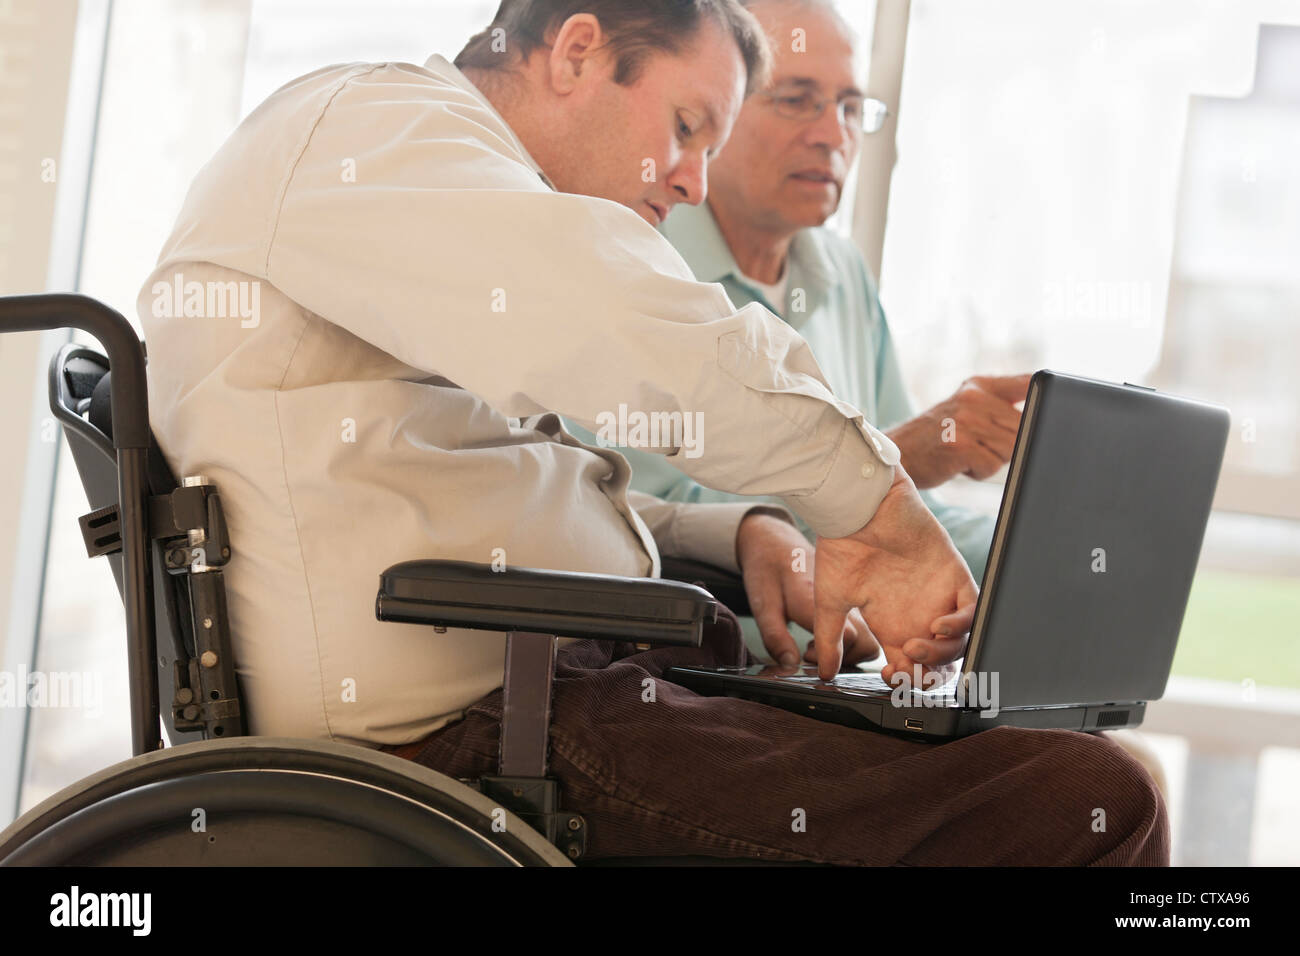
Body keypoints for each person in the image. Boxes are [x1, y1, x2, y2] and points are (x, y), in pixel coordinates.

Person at [137, 0, 1167, 864]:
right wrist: (872, 506)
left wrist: (741, 534)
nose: (690, 182)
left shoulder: (431, 184)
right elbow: (627, 327)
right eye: (684, 127)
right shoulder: (371, 130)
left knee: (1019, 753)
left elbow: (508, 488)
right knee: (1087, 794)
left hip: (553, 695)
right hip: (462, 744)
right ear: (578, 50)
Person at [567, 0, 1027, 669]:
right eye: (796, 99)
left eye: (848, 107)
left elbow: (909, 513)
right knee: (1098, 773)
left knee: (1112, 753)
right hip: (704, 672)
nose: (831, 134)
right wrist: (893, 460)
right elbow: (645, 516)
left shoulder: (843, 274)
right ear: (716, 109)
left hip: (846, 672)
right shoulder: (637, 256)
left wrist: (1033, 556)